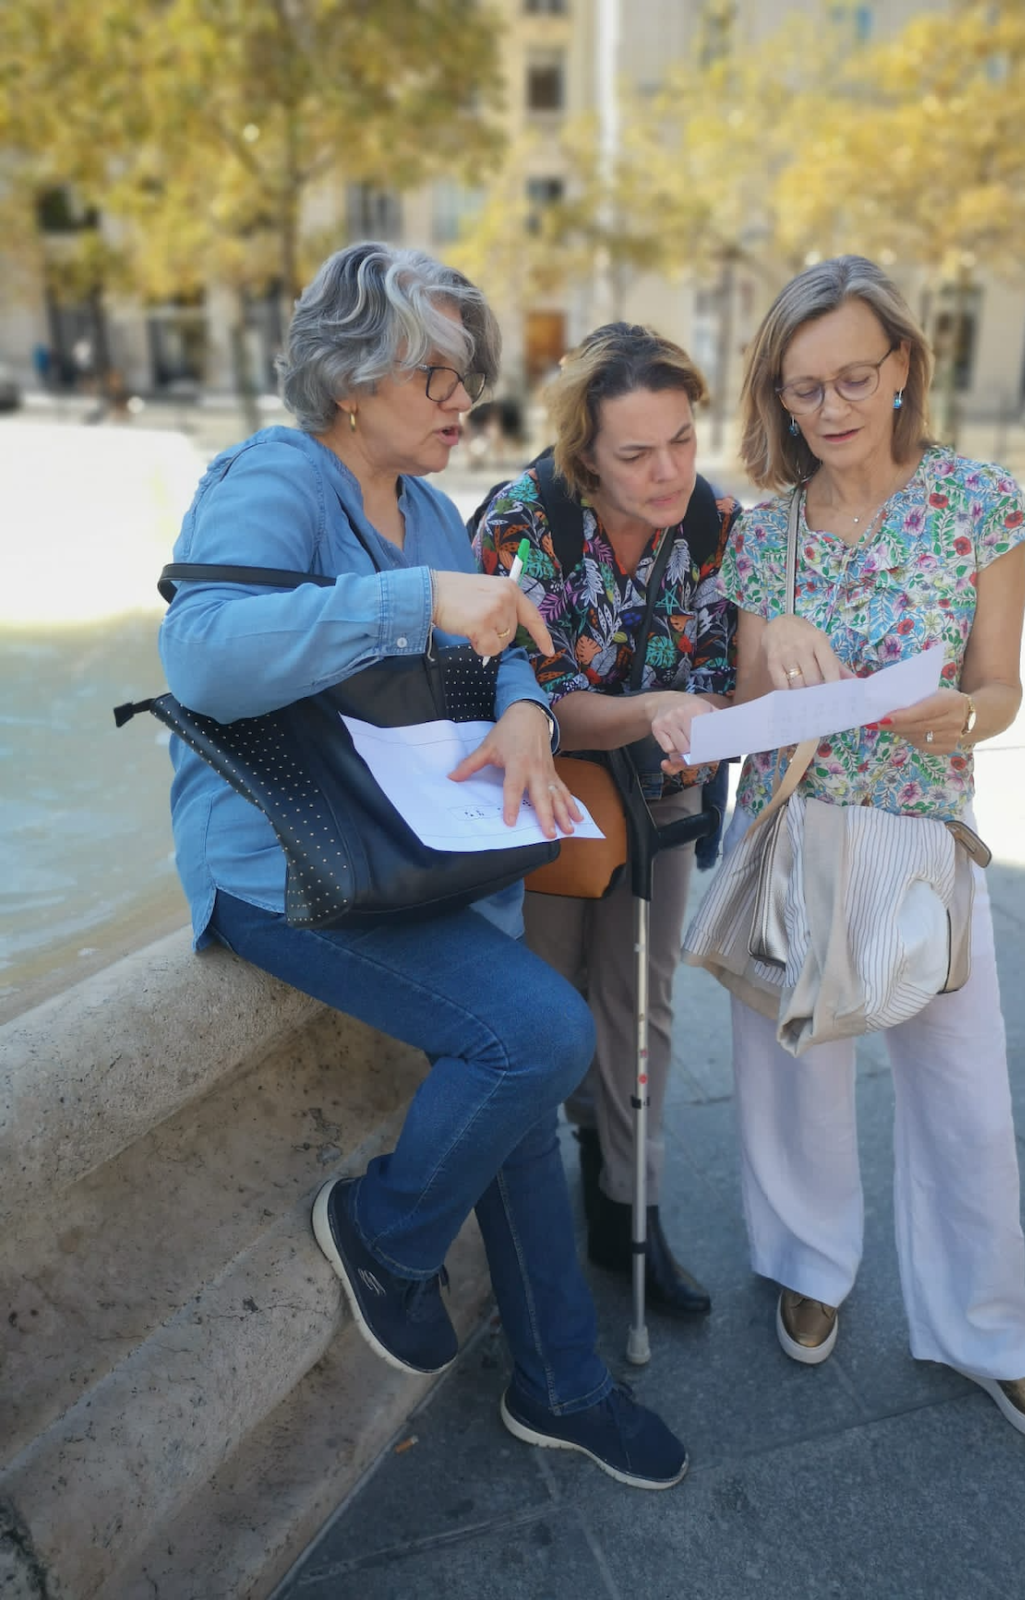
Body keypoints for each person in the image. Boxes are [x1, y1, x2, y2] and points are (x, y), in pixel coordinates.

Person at [158, 242, 688, 1490]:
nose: (466, 401)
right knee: (536, 1036)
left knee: (509, 1094)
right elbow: (204, 655)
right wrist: (414, 606)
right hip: (289, 862)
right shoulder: (274, 476)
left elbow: (501, 634)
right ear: (349, 379)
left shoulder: (439, 510)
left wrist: (520, 710)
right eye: (437, 375)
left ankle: (563, 1382)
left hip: (411, 847)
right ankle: (384, 1227)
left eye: (471, 376)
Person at [717, 255, 1025, 1451]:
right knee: (792, 1074)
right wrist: (773, 643)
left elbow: (1005, 689)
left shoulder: (979, 504)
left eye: (852, 379)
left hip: (927, 839)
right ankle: (809, 1262)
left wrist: (963, 715)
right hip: (791, 834)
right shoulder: (760, 541)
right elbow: (737, 714)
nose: (827, 410)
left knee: (967, 1098)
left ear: (904, 370)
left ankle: (992, 1332)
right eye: (801, 388)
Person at [474, 324, 738, 1318]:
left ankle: (630, 1213)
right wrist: (654, 710)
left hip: (659, 791)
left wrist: (712, 710)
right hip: (541, 788)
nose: (669, 471)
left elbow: (721, 675)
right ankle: (538, 1206)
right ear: (586, 449)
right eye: (636, 453)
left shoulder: (713, 522)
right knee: (546, 998)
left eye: (681, 439)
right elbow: (528, 699)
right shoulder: (524, 521)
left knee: (642, 1000)